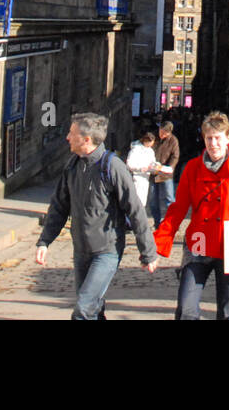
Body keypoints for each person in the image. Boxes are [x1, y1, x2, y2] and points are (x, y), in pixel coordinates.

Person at [35, 113, 158, 320]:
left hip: (106, 251)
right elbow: (59, 207)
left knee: (84, 309)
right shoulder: (72, 166)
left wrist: (148, 251)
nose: (67, 137)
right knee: (94, 309)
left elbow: (135, 209)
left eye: (71, 133)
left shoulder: (112, 166)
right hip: (81, 250)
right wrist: (44, 241)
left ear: (86, 139)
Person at [153, 111, 229, 320]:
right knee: (186, 308)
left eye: (217, 138)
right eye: (208, 138)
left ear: (228, 139)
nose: (213, 144)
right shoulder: (192, 168)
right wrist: (159, 242)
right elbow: (178, 208)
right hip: (199, 241)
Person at [149, 120, 180, 226]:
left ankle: (171, 221)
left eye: (164, 133)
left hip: (166, 174)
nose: (161, 135)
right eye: (160, 132)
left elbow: (175, 156)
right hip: (154, 172)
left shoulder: (173, 141)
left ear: (169, 132)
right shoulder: (155, 138)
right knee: (153, 200)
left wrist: (169, 167)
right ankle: (157, 222)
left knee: (169, 198)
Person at [125, 132, 158, 209]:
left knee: (143, 202)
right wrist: (140, 168)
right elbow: (129, 164)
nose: (151, 145)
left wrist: (156, 166)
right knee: (136, 201)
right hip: (136, 177)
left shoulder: (150, 151)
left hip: (146, 178)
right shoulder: (136, 149)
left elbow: (153, 162)